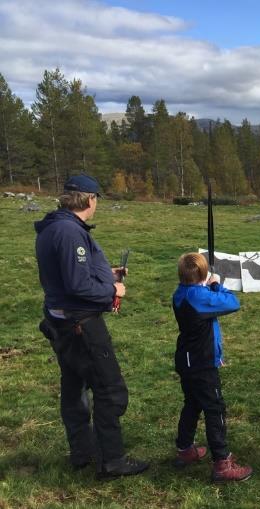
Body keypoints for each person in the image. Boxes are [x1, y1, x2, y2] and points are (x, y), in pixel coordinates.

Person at [35, 173, 148, 479]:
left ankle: (82, 452)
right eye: (96, 198)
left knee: (74, 387)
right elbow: (77, 285)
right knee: (110, 391)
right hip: (81, 325)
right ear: (89, 199)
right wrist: (113, 290)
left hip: (61, 321)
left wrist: (104, 272)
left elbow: (69, 273)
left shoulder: (54, 227)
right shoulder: (70, 233)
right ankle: (112, 460)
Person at [172, 253, 252, 482]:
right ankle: (222, 463)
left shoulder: (181, 292)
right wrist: (216, 284)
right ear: (202, 274)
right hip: (201, 363)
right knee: (215, 409)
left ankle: (185, 449)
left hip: (187, 359)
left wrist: (206, 284)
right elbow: (232, 303)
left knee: (193, 404)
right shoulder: (199, 296)